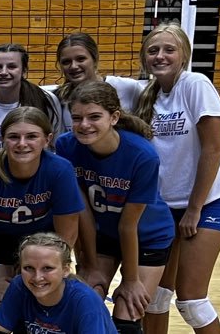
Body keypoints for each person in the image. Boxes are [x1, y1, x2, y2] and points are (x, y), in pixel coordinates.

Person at [132, 23, 220, 334]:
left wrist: (194, 209)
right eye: (153, 50)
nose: (160, 56)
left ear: (184, 55)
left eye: (168, 50)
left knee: (192, 301)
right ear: (144, 57)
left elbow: (213, 149)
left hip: (205, 206)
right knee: (155, 298)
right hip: (163, 209)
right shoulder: (147, 95)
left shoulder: (195, 85)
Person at [55, 80, 172, 334]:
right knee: (85, 302)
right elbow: (81, 209)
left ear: (114, 117)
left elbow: (128, 224)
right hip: (104, 234)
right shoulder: (66, 146)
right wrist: (89, 264)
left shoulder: (142, 155)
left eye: (94, 117)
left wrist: (130, 280)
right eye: (77, 118)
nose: (84, 125)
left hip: (147, 237)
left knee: (126, 313)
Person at [0, 107, 85, 333]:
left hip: (44, 243)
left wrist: (49, 268)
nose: (22, 143)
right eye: (14, 136)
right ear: (3, 139)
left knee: (40, 300)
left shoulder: (59, 170)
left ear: (47, 140)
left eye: (31, 136)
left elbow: (67, 233)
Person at [0, 233, 118, 334]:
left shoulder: (85, 301)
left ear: (66, 270)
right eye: (29, 268)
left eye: (47, 268)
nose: (37, 277)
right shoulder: (20, 286)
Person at [54, 31, 143, 113]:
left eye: (81, 59)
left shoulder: (129, 88)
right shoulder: (58, 100)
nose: (73, 66)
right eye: (66, 62)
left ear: (95, 59)